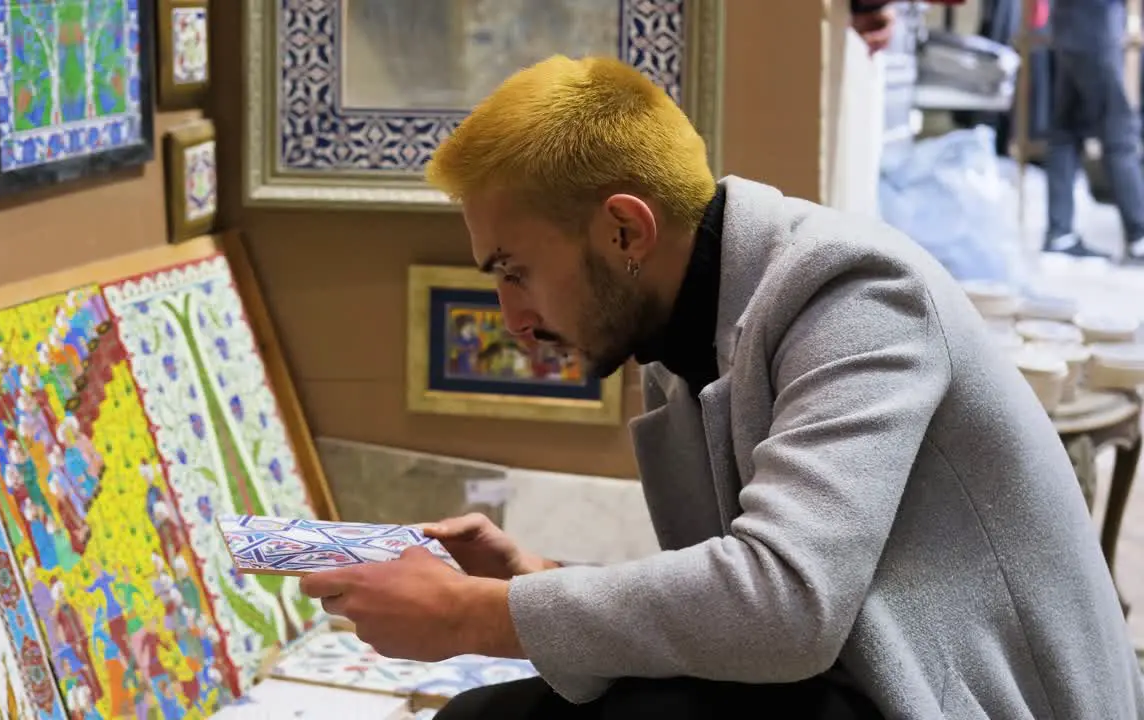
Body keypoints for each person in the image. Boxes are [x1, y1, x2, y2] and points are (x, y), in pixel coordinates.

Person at [298, 55, 1143, 718]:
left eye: (514, 271)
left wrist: (469, 615)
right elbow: (738, 609)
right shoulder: (677, 337)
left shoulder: (855, 290)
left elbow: (785, 607)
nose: (509, 314)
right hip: (865, 675)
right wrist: (532, 579)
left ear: (625, 227)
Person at [1046, 0, 1144, 262]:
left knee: (1065, 132)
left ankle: (1059, 233)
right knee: (1118, 132)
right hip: (1096, 26)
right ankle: (1139, 236)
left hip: (1067, 25)